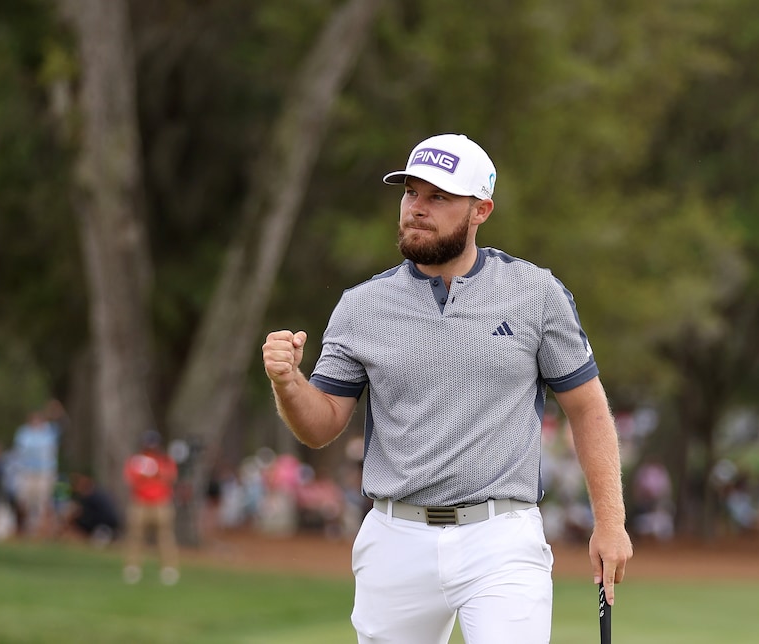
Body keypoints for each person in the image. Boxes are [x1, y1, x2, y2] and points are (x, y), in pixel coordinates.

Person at [262, 133, 633, 643]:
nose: (418, 208)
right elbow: (321, 425)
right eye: (411, 193)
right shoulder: (361, 306)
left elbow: (588, 409)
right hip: (395, 536)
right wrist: (288, 383)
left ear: (480, 210)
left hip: (501, 536)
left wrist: (609, 522)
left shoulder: (535, 294)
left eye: (439, 197)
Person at [122, 430, 180, 586]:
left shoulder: (165, 460)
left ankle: (168, 568)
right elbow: (132, 478)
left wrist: (155, 474)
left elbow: (170, 477)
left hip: (161, 502)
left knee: (165, 537)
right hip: (140, 502)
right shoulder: (136, 460)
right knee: (135, 536)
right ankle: (133, 568)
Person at [12, 411, 60, 538]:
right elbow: (18, 452)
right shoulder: (24, 433)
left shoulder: (49, 432)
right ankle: (25, 528)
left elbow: (63, 423)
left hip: (44, 472)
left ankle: (42, 530)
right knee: (24, 500)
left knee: (43, 501)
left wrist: (56, 412)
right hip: (26, 471)